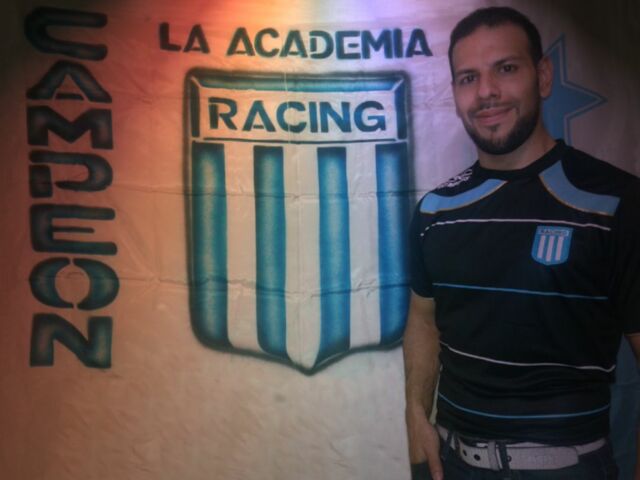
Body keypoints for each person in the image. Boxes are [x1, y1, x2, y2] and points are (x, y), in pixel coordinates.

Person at [404, 6, 640, 479]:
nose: (486, 91)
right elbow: (423, 318)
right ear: (455, 93)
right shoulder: (434, 212)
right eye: (468, 78)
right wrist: (415, 414)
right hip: (452, 464)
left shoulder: (616, 203)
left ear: (543, 76)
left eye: (506, 68)